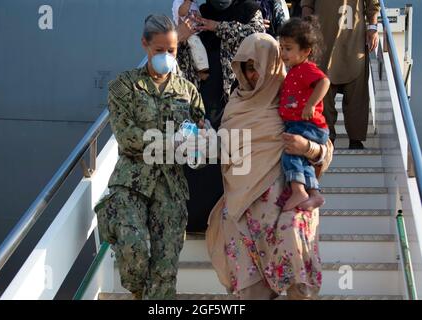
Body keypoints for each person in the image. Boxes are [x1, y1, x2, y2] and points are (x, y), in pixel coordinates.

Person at [206, 33, 333, 300]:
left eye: (258, 66)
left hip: (290, 203)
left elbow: (325, 149)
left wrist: (306, 148)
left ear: (273, 63)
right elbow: (230, 163)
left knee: (295, 251)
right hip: (245, 208)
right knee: (251, 288)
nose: (253, 75)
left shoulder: (292, 94)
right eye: (248, 67)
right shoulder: (236, 106)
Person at [93, 14, 205, 300]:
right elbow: (127, 136)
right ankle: (139, 292)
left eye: (172, 50)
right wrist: (172, 141)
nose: (166, 56)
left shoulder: (188, 92)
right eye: (159, 50)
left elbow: (200, 140)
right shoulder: (124, 86)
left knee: (166, 267)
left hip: (171, 187)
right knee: (133, 250)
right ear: (144, 44)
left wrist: (200, 145)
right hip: (132, 181)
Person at [177, 0, 266, 233]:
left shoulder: (249, 10)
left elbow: (258, 38)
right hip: (204, 98)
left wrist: (218, 26)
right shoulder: (201, 12)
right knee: (202, 162)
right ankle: (199, 220)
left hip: (238, 101)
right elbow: (183, 58)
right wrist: (182, 37)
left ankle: (231, 223)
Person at [301, 0, 380, 149]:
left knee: (357, 92)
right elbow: (307, 5)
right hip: (323, 40)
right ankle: (327, 136)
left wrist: (373, 27)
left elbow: (373, 4)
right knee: (323, 90)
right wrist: (306, 31)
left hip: (354, 40)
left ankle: (355, 139)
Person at [278, 17, 330, 211]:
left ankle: (298, 190)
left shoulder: (305, 69)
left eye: (288, 48)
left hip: (307, 125)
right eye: (281, 48)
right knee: (302, 160)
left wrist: (310, 105)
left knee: (290, 153)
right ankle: (314, 194)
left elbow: (324, 82)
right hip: (301, 124)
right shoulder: (294, 71)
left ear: (306, 51)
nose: (283, 53)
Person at [172, 0, 210, 80]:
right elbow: (182, 13)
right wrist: (188, 1)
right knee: (196, 49)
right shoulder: (178, 2)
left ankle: (200, 70)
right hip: (188, 34)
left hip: (197, 31)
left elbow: (198, 14)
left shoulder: (195, 3)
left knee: (200, 50)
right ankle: (202, 70)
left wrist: (200, 19)